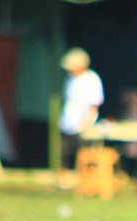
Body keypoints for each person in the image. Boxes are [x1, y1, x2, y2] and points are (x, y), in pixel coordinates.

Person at [58, 47, 103, 190]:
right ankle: (63, 183)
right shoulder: (69, 80)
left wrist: (84, 123)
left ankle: (85, 183)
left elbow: (94, 103)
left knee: (83, 156)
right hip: (67, 123)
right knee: (64, 155)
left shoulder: (91, 79)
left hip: (83, 125)